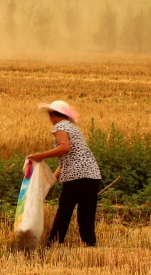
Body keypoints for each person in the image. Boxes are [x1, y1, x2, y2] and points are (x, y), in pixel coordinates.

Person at [26, 100, 101, 247]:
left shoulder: (60, 126)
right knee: (86, 215)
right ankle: (90, 244)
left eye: (50, 115)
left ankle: (54, 243)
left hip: (76, 177)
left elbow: (64, 148)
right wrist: (51, 180)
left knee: (64, 212)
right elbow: (68, 159)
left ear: (54, 114)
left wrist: (41, 155)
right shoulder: (73, 128)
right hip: (92, 175)